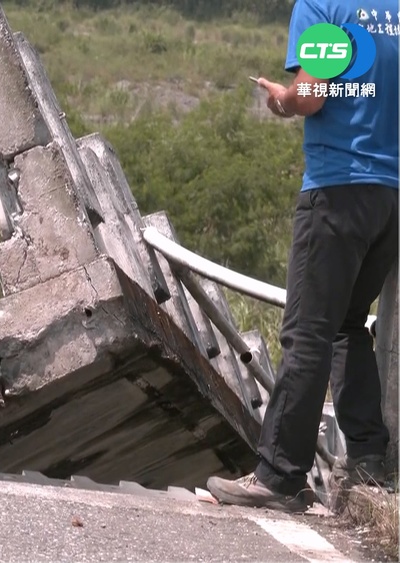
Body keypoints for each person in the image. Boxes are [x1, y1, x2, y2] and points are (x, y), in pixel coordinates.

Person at [206, 0, 399, 513]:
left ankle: (278, 475)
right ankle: (369, 458)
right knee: (348, 324)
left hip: (336, 190)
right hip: (390, 198)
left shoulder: (322, 5)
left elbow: (311, 96)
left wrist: (281, 99)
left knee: (307, 331)